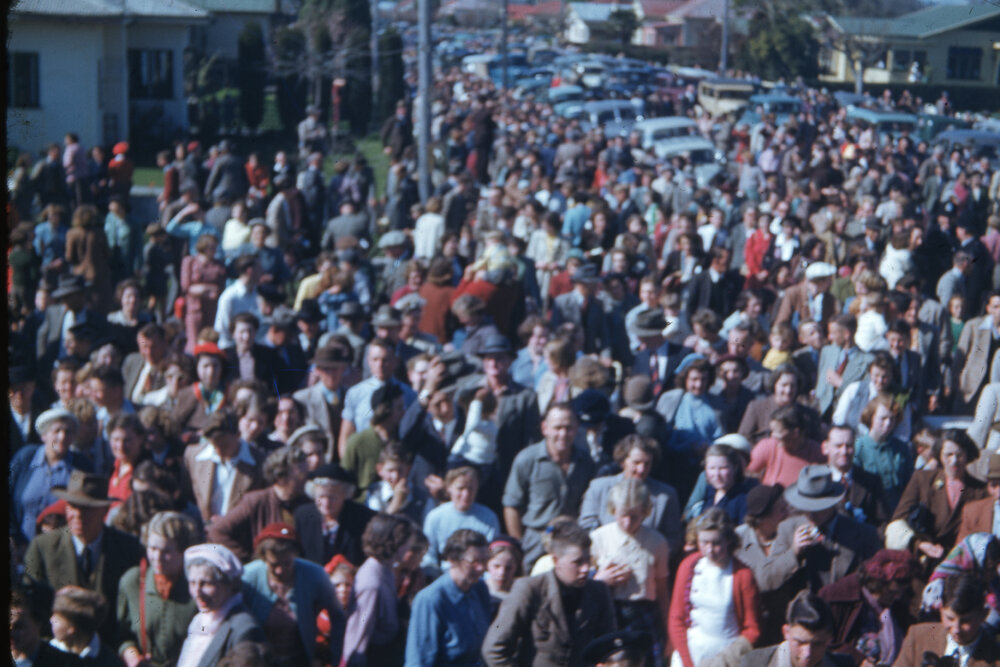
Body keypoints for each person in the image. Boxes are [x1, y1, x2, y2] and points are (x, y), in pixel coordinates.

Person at [23, 470, 145, 645]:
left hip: (109, 651)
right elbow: (33, 608)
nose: (78, 515)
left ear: (104, 510)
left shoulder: (128, 549)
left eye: (87, 508)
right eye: (73, 506)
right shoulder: (42, 548)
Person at [482, 521, 617, 667]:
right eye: (577, 562)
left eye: (588, 560)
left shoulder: (598, 592)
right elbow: (494, 643)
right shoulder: (528, 589)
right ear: (555, 560)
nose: (585, 568)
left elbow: (608, 645)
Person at [502, 402, 597, 569]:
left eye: (569, 428)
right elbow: (511, 505)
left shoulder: (585, 462)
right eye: (557, 428)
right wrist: (518, 544)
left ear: (577, 428)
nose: (563, 434)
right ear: (545, 428)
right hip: (536, 540)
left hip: (570, 541)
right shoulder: (527, 459)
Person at [590, 479, 671, 663]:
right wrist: (600, 581)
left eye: (634, 516)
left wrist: (668, 633)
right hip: (608, 613)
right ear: (613, 510)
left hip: (643, 615)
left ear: (645, 512)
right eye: (622, 515)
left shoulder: (657, 542)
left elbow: (662, 591)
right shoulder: (598, 538)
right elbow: (586, 588)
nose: (627, 523)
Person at [668, 508, 761, 667]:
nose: (710, 550)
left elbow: (752, 629)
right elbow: (676, 619)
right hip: (691, 652)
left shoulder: (742, 574)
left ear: (728, 540)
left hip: (726, 656)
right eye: (704, 542)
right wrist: (687, 661)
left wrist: (725, 660)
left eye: (716, 543)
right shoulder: (688, 565)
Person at [241, 523, 342, 667]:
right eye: (273, 565)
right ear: (263, 558)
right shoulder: (248, 577)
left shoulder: (315, 575)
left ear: (295, 555)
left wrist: (335, 656)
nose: (280, 571)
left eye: (287, 563)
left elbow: (338, 615)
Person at [773, 465, 881, 592]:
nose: (811, 514)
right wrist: (794, 552)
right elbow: (772, 579)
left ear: (833, 503)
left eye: (818, 508)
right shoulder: (787, 529)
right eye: (806, 507)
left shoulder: (865, 534)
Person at [116, 511, 201, 667]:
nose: (157, 557)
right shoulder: (133, 582)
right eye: (153, 548)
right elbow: (121, 635)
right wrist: (131, 655)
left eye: (166, 551)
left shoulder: (196, 588)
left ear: (184, 552)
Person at [579, 434, 684, 555]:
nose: (641, 469)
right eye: (636, 462)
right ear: (623, 461)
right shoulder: (599, 488)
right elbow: (587, 528)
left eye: (647, 464)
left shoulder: (665, 496)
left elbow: (673, 538)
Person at [890, 429, 987, 557]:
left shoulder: (980, 490)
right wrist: (918, 544)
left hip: (962, 561)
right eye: (948, 455)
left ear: (968, 455)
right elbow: (898, 520)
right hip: (922, 557)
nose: (954, 461)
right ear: (940, 456)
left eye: (959, 455)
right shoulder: (922, 480)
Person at [404, 529, 493, 667]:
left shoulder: (479, 589)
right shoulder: (431, 600)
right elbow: (419, 660)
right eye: (474, 562)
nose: (481, 568)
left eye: (484, 560)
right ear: (453, 560)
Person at [207, 446, 311, 560]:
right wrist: (247, 560)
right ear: (280, 476)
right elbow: (217, 531)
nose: (305, 480)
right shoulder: (255, 501)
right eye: (300, 475)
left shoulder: (307, 503)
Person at [341, 513, 415, 667]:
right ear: (395, 543)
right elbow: (361, 628)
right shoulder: (372, 583)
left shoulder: (385, 569)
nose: (409, 548)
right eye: (407, 543)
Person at [818, 549, 916, 665]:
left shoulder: (898, 605)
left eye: (900, 593)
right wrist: (859, 660)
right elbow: (825, 643)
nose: (897, 597)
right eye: (892, 592)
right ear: (877, 584)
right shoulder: (836, 598)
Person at [11, 407, 92, 544]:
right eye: (57, 431)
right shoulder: (25, 458)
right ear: (44, 435)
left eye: (68, 432)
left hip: (61, 548)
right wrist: (13, 537)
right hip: (22, 546)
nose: (63, 437)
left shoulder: (80, 466)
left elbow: (84, 509)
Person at [176, 543, 263, 667]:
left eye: (206, 583)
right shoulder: (200, 620)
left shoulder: (244, 629)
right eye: (192, 583)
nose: (197, 592)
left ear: (229, 584)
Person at [893, 574, 1000, 667]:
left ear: (983, 615)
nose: (956, 629)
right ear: (941, 609)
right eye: (949, 618)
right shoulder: (918, 637)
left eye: (965, 621)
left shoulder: (995, 657)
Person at [183, 409, 265, 526]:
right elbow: (188, 498)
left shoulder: (259, 461)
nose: (219, 451)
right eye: (214, 445)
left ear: (238, 435)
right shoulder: (193, 455)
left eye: (225, 446)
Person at [739, 591, 852, 667]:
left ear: (829, 638)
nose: (807, 653)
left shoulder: (845, 664)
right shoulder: (753, 663)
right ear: (786, 632)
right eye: (800, 642)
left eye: (817, 644)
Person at [421, 466, 499, 572]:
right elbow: (429, 555)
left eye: (470, 488)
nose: (466, 494)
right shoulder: (435, 516)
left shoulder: (489, 517)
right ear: (449, 488)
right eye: (460, 488)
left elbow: (492, 554)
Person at [746, 405, 825, 488]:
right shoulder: (768, 446)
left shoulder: (817, 452)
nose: (773, 436)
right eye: (772, 431)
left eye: (778, 432)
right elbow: (747, 473)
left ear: (795, 433)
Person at [683, 441, 759, 525]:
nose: (717, 474)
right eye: (712, 468)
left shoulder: (744, 498)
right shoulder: (709, 491)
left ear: (735, 467)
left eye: (723, 468)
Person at [48, 585, 121, 666]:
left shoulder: (109, 662)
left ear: (71, 629)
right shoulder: (46, 653)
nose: (51, 620)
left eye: (56, 620)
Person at [957, 451, 1000, 541]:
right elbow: (961, 552)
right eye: (994, 485)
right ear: (988, 486)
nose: (998, 493)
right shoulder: (973, 512)